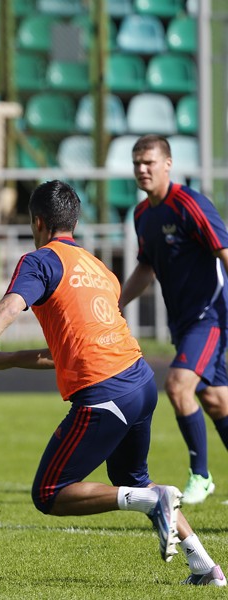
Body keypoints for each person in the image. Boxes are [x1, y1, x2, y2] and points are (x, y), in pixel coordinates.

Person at [0, 180, 224, 585]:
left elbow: (9, 307)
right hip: (140, 383)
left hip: (106, 393)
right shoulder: (98, 268)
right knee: (134, 480)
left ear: (37, 222)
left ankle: (150, 501)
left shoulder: (40, 261)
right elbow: (71, 349)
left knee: (50, 493)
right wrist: (9, 360)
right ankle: (206, 567)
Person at [119, 134, 228, 505]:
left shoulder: (191, 204)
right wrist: (114, 302)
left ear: (168, 164)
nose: (142, 169)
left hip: (210, 315)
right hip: (182, 322)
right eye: (136, 163)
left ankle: (201, 474)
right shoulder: (141, 215)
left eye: (149, 162)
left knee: (179, 386)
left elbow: (224, 251)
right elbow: (146, 267)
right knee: (215, 400)